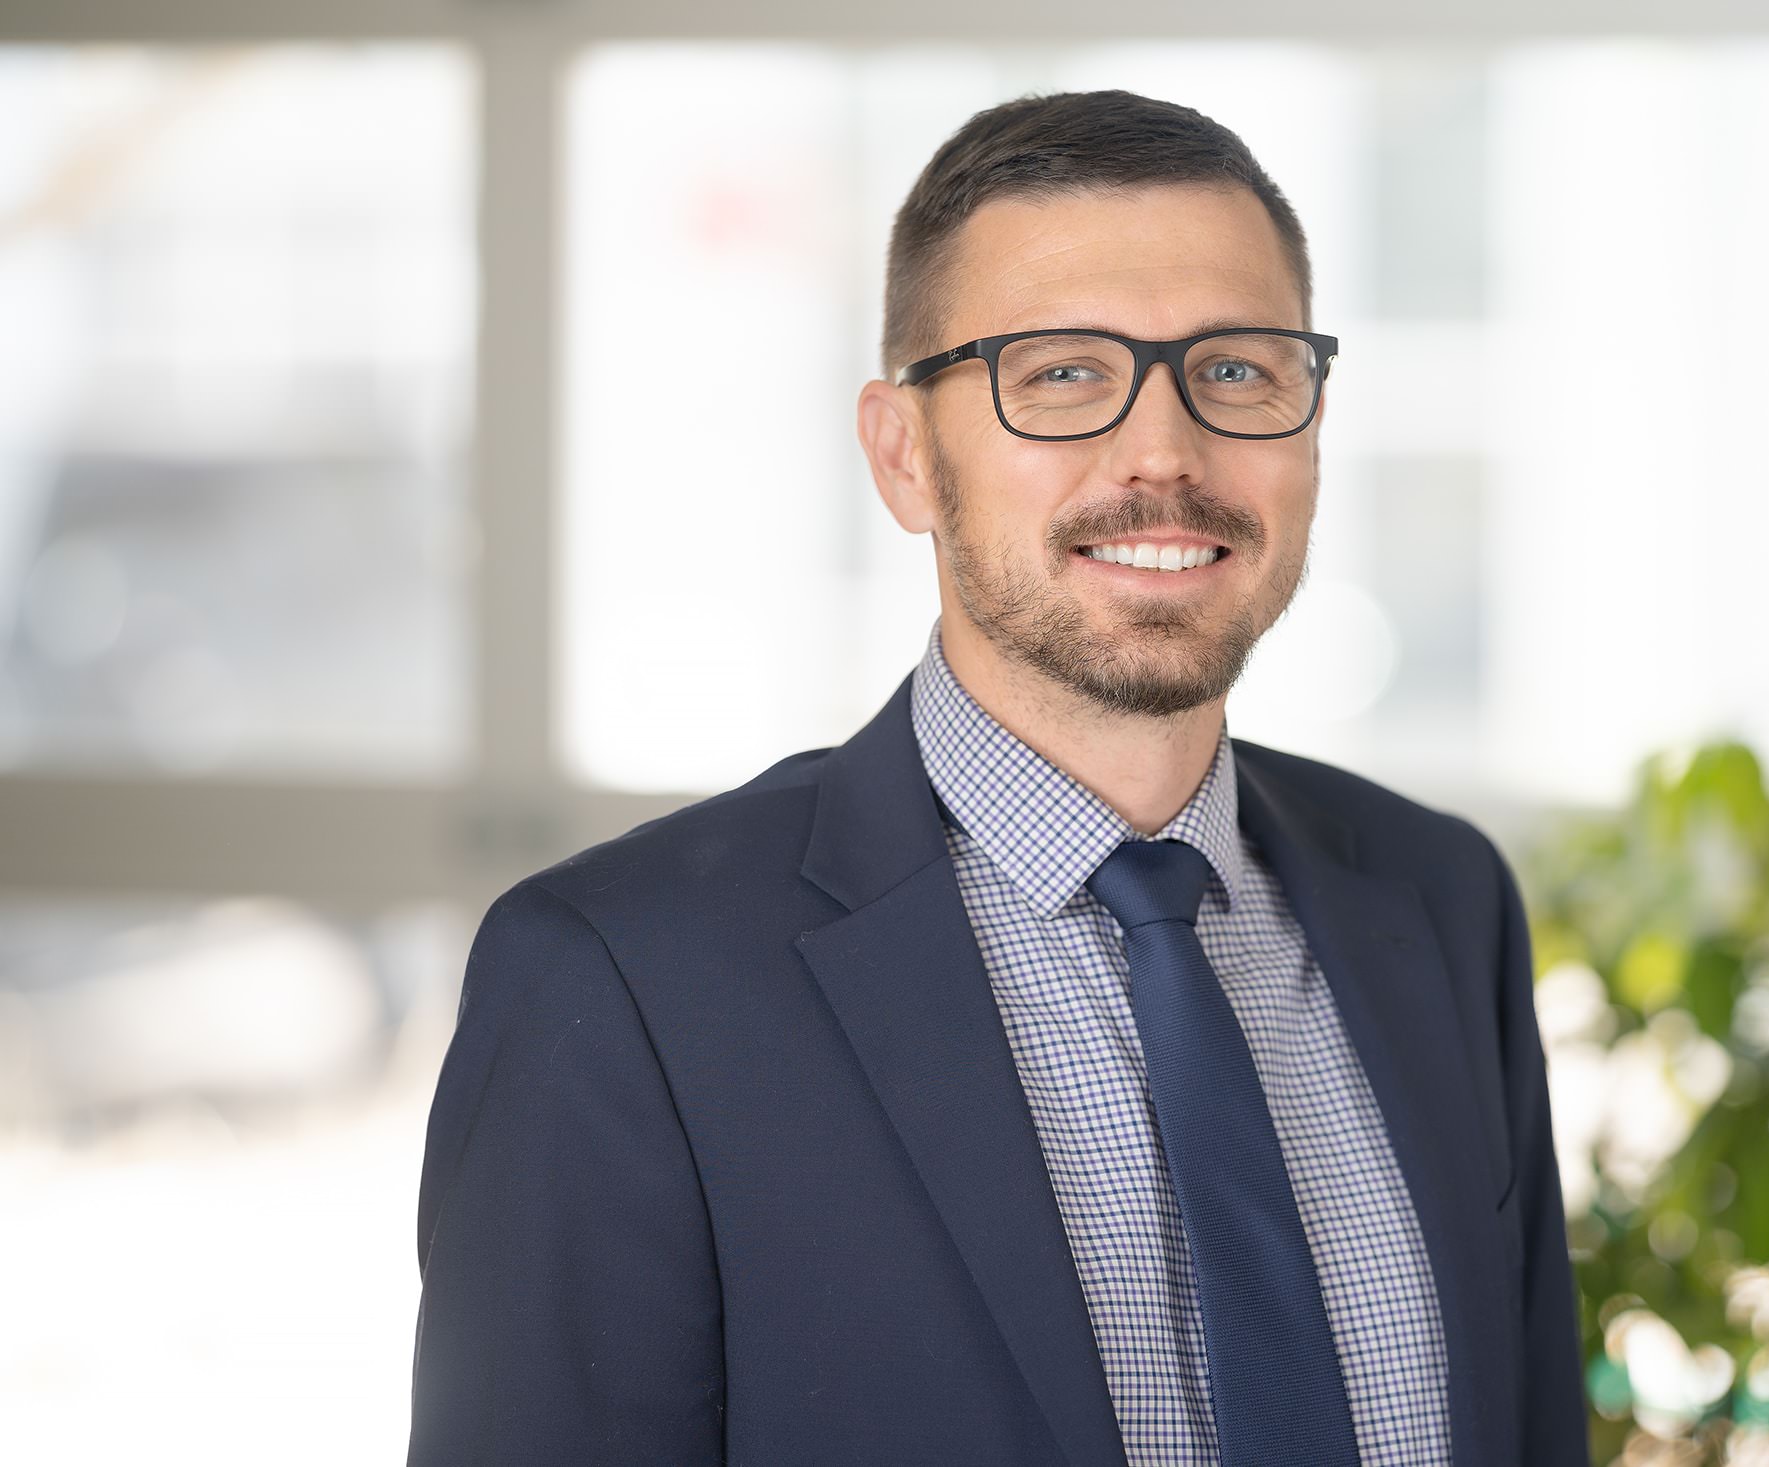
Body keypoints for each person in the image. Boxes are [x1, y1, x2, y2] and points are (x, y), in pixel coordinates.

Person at [407, 88, 1590, 1467]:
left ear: (1311, 433)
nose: (1164, 454)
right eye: (1065, 374)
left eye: (1239, 372)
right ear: (905, 455)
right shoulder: (624, 985)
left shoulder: (1440, 900)